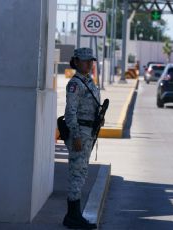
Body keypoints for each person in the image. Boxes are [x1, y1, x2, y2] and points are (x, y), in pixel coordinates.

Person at [63, 48, 102, 229]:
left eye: (91, 61)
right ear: (76, 62)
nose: (89, 64)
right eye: (85, 61)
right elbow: (70, 113)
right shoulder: (75, 84)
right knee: (76, 174)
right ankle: (73, 217)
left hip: (89, 132)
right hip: (80, 133)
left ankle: (74, 216)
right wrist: (76, 136)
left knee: (82, 172)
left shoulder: (89, 81)